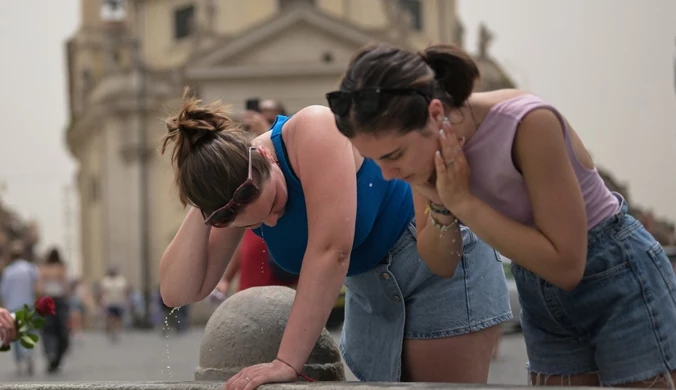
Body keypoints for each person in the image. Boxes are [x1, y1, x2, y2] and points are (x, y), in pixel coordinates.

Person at [329, 42, 676, 387]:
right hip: (537, 289)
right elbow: (441, 263)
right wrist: (442, 204)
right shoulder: (425, 154)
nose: (388, 174)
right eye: (376, 160)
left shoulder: (526, 123)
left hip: (617, 277)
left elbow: (568, 265)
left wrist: (463, 202)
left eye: (394, 155)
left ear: (436, 113)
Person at [159, 90, 511, 388]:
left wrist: (286, 361)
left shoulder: (313, 129)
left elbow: (331, 252)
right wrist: (202, 199)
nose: (271, 220)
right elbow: (178, 291)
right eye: (248, 223)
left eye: (274, 204)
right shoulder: (240, 194)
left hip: (433, 265)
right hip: (373, 291)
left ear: (265, 156)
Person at [0, 240, 38, 376]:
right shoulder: (30, 268)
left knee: (14, 334)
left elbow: (3, 291)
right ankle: (29, 353)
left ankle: (19, 362)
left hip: (12, 307)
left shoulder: (8, 272)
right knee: (28, 332)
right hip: (28, 306)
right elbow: (37, 285)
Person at [37, 248, 71, 373]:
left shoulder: (43, 268)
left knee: (47, 330)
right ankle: (57, 356)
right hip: (60, 300)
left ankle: (50, 353)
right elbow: (65, 285)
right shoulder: (61, 268)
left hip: (47, 300)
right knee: (61, 330)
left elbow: (39, 287)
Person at [100, 265, 128, 342]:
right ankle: (112, 331)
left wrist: (126, 301)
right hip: (109, 303)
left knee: (118, 319)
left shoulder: (121, 280)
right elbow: (103, 292)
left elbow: (124, 291)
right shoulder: (106, 281)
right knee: (111, 318)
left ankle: (117, 332)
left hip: (118, 302)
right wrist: (103, 302)